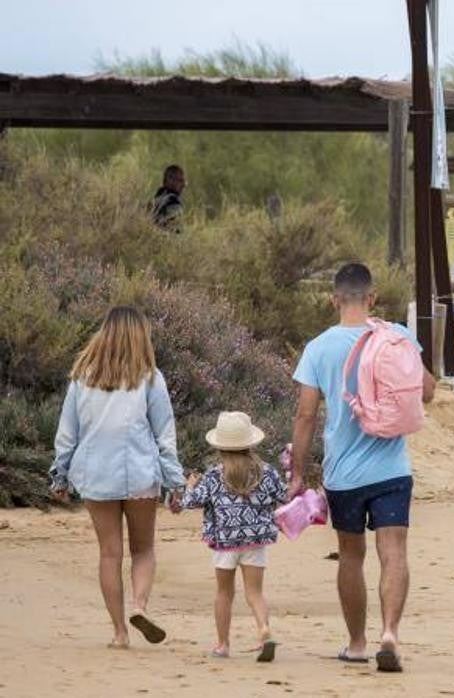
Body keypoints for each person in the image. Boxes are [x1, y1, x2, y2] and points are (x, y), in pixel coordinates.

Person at [288, 262, 436, 672]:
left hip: (344, 474)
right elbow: (428, 390)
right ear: (372, 298)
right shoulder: (397, 336)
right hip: (392, 469)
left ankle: (356, 644)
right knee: (394, 552)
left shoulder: (318, 348)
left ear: (334, 299)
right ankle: (390, 633)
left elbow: (305, 416)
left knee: (350, 556)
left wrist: (298, 472)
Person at [48, 306, 185, 649]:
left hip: (95, 475)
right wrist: (175, 482)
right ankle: (139, 606)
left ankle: (120, 632)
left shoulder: (82, 378)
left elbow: (67, 434)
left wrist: (59, 475)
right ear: (141, 336)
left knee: (109, 553)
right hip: (139, 475)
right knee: (143, 550)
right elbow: (164, 434)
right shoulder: (151, 378)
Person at [181, 411, 286, 662]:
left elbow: (191, 502)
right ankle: (263, 630)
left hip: (224, 542)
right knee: (255, 593)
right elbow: (284, 496)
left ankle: (223, 644)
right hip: (255, 539)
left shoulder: (214, 475)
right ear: (250, 443)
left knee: (224, 593)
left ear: (220, 446)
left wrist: (190, 486)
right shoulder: (266, 472)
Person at [152, 164, 186, 232]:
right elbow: (175, 231)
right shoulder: (173, 202)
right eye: (181, 180)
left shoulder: (156, 199)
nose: (184, 185)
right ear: (170, 180)